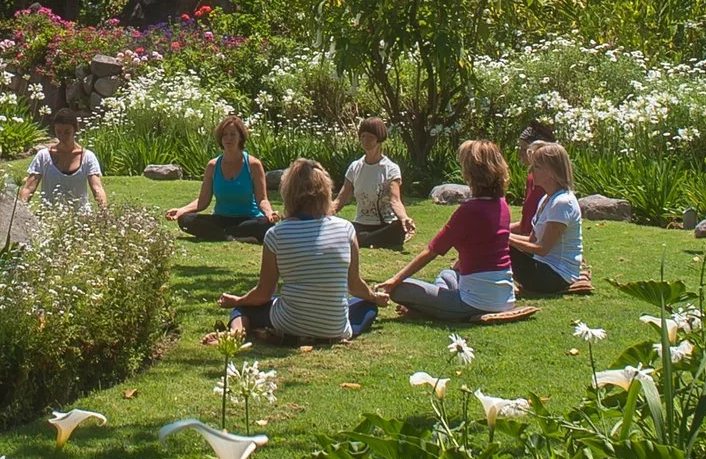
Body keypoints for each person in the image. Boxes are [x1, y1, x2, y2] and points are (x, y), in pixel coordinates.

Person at [218, 160, 381, 344]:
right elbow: (355, 286)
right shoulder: (346, 229)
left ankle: (237, 334)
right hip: (334, 327)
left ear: (288, 192)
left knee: (244, 308)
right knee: (368, 306)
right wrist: (374, 297)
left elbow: (263, 292)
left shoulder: (276, 234)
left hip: (289, 323)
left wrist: (238, 300)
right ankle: (327, 334)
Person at [378, 139, 517, 321]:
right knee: (447, 275)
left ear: (471, 173)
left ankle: (427, 312)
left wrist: (394, 280)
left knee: (401, 289)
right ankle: (432, 308)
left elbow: (431, 251)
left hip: (472, 304)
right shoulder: (502, 205)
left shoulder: (469, 210)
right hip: (506, 299)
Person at [166, 114, 272, 242]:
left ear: (240, 137)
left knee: (266, 224)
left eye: (233, 134)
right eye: (225, 135)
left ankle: (222, 235)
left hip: (249, 219)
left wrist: (269, 213)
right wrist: (181, 211)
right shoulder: (213, 165)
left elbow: (262, 199)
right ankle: (233, 237)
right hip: (221, 218)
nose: (228, 138)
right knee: (185, 219)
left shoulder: (253, 164)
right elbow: (203, 201)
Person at [509, 142, 584, 294]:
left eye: (536, 167)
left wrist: (505, 239)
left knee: (498, 245)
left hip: (556, 275)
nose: (531, 171)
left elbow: (542, 249)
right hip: (543, 267)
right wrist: (504, 235)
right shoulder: (546, 198)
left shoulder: (562, 202)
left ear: (551, 172)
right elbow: (532, 240)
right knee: (495, 242)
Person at [334, 117, 416, 250]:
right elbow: (341, 198)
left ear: (379, 139)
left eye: (370, 137)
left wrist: (404, 218)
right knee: (339, 226)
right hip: (361, 224)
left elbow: (395, 200)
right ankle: (367, 240)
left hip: (384, 226)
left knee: (396, 228)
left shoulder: (391, 168)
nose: (365, 140)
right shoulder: (355, 167)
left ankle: (363, 240)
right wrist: (323, 214)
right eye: (362, 136)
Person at [20, 115, 107, 212]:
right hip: (49, 216)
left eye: (67, 132)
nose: (62, 136)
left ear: (75, 130)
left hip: (81, 218)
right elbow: (29, 188)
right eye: (58, 132)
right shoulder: (43, 156)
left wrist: (104, 213)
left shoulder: (88, 157)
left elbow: (97, 188)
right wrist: (19, 212)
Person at [513, 122, 558, 236]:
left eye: (524, 149)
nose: (520, 154)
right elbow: (525, 225)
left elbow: (539, 239)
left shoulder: (546, 182)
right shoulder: (532, 178)